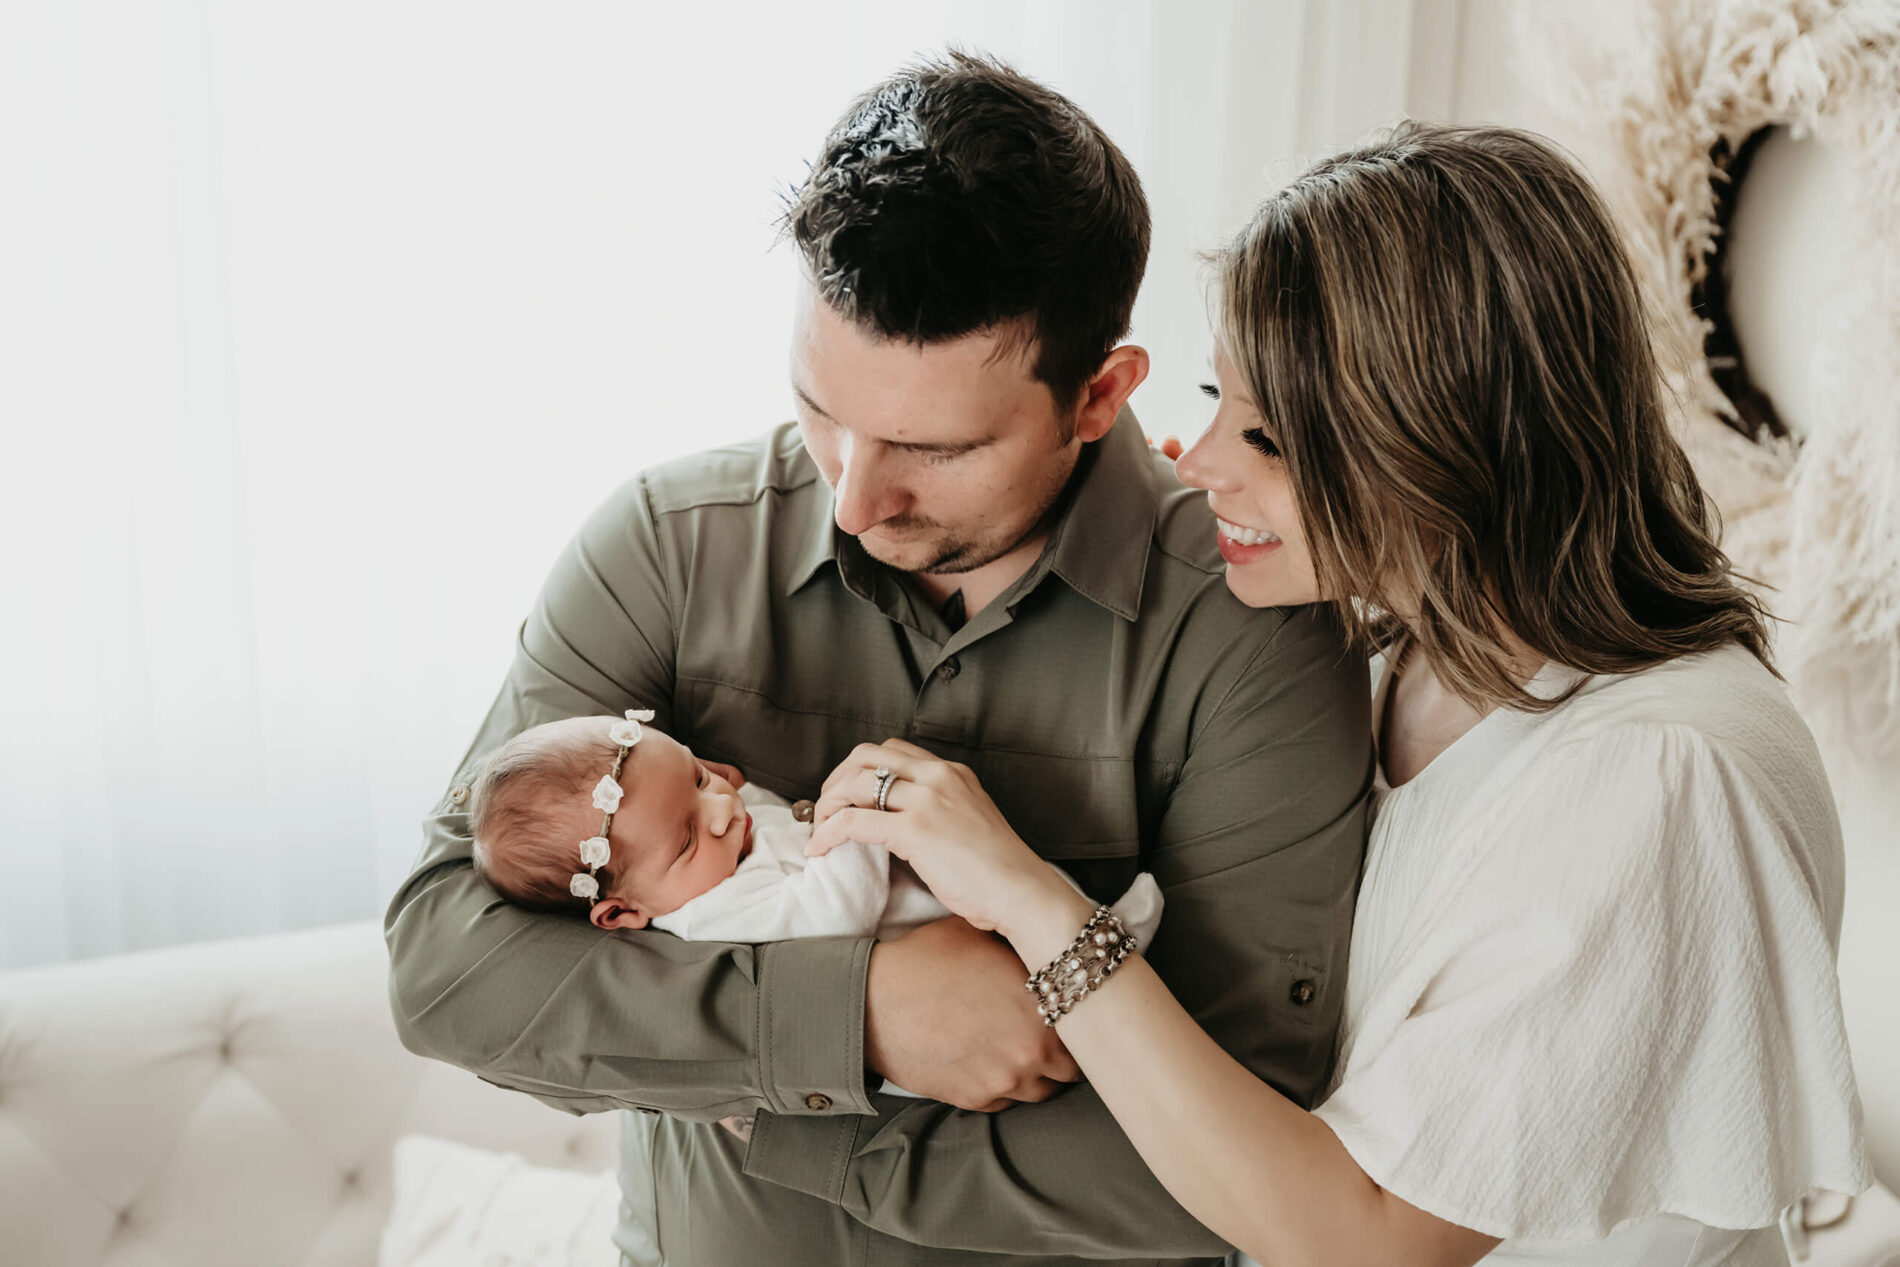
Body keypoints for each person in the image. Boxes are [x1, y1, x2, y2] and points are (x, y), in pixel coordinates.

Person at [790, 122, 1874, 1265]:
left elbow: (1364, 1235)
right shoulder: (1395, 658)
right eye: (1217, 400)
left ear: (1446, 446)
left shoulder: (1661, 779)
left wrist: (1032, 904)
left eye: (1266, 434)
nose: (1196, 463)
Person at [384, 51, 1370, 1267]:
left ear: (1099, 394)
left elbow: (1249, 1159)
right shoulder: (665, 549)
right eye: (820, 411)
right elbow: (449, 967)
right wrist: (860, 1012)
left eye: (932, 449)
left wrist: (800, 1127)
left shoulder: (1252, 628)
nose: (852, 502)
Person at [466, 709, 1162, 1267]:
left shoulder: (717, 840)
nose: (721, 808)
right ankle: (1105, 951)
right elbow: (834, 915)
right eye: (686, 838)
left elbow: (762, 813)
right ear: (622, 914)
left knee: (1007, 890)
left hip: (932, 921)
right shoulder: (708, 916)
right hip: (914, 1015)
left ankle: (1091, 930)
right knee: (1016, 979)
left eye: (700, 777)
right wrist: (852, 825)